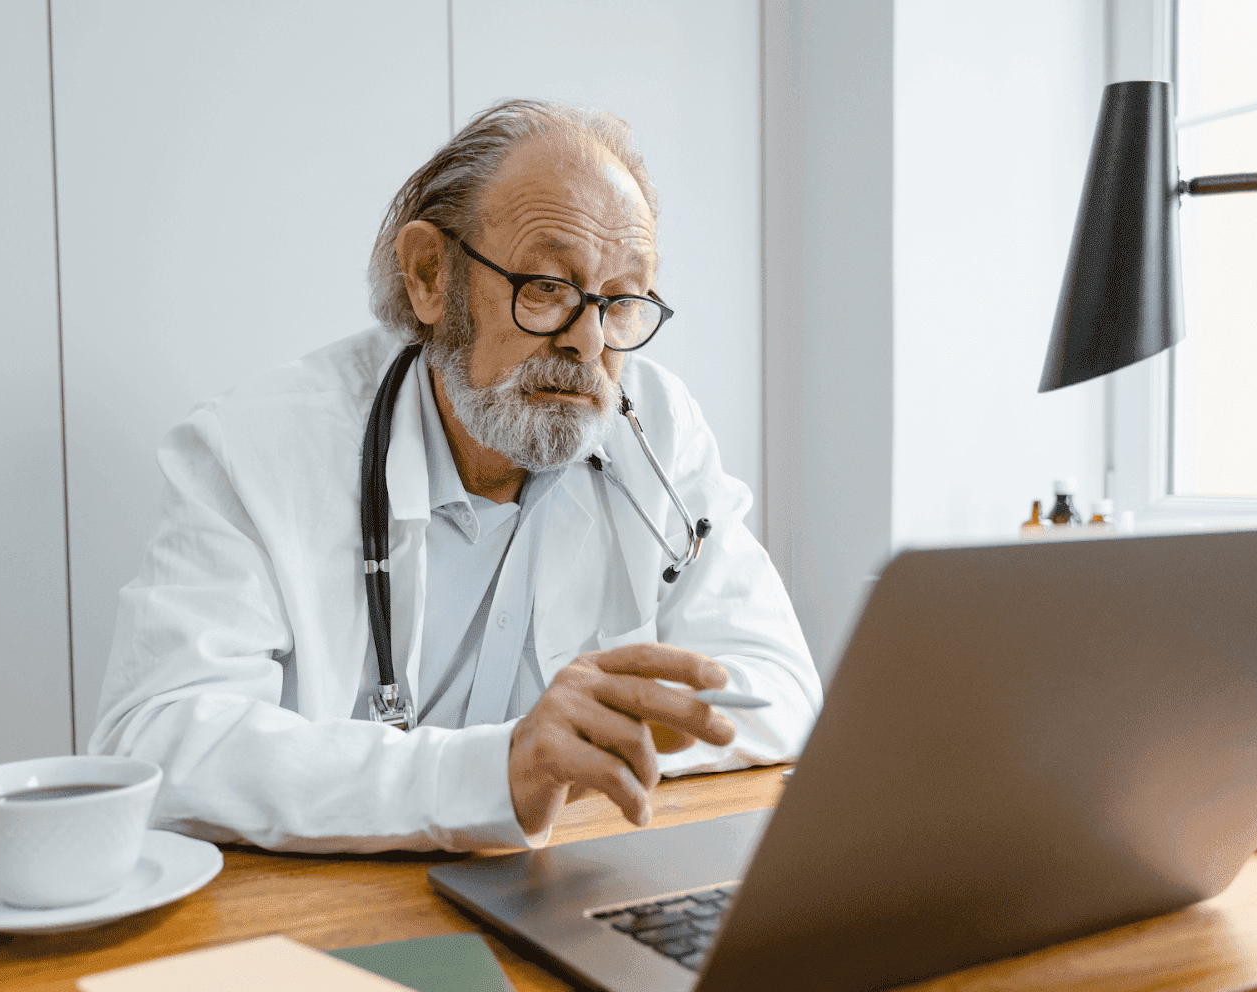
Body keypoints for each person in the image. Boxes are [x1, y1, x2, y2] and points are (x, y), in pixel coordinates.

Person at [91, 99, 820, 852]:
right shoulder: (255, 450)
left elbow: (783, 687)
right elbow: (155, 741)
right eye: (546, 287)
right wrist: (491, 773)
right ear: (430, 276)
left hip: (564, 882)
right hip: (333, 921)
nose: (588, 341)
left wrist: (591, 743)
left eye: (622, 300)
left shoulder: (657, 426)